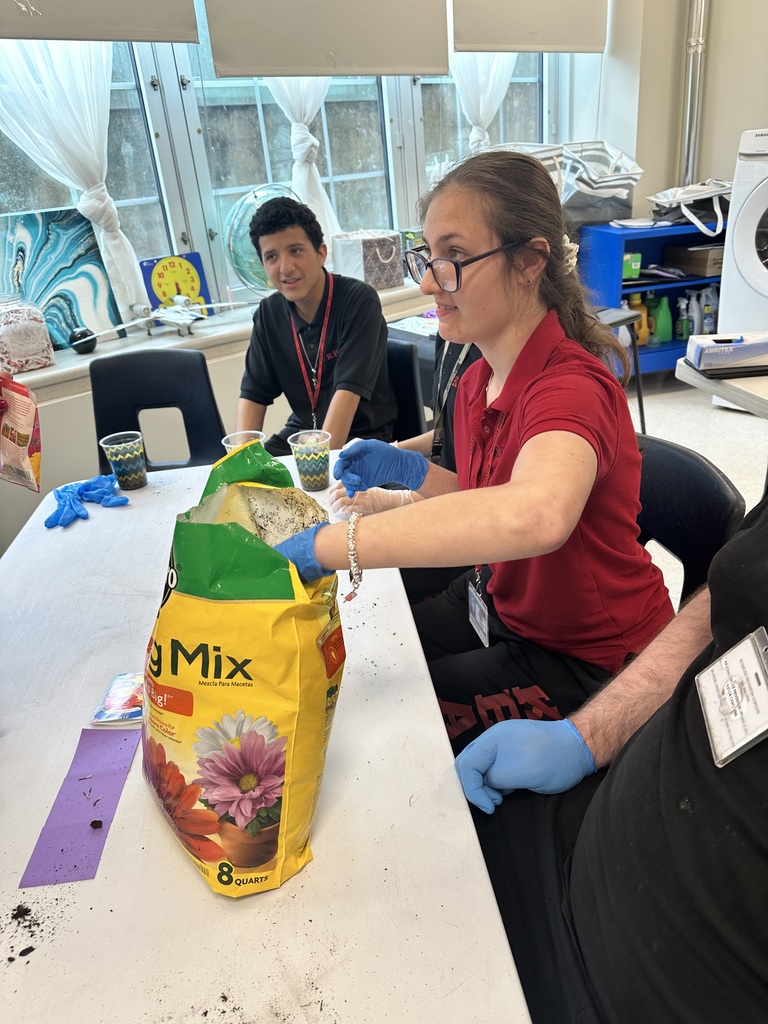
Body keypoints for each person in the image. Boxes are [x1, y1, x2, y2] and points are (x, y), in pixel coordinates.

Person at [275, 150, 673, 752]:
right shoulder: (474, 379)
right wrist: (411, 474)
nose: (430, 281)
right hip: (504, 605)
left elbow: (534, 514)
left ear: (529, 262)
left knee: (387, 726)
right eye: (429, 257)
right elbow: (488, 499)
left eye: (455, 258)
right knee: (367, 658)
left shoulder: (571, 387)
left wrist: (333, 546)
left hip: (590, 659)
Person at [454, 494, 768, 1023]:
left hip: (649, 990)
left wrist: (340, 545)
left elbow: (537, 512)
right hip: (586, 840)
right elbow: (735, 590)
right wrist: (587, 735)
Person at [236, 196, 397, 457]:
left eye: (295, 250)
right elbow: (253, 395)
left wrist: (317, 462)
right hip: (302, 433)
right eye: (272, 257)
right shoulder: (268, 313)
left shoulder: (358, 301)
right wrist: (242, 460)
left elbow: (347, 395)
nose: (285, 268)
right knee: (249, 484)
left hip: (361, 439)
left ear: (321, 252)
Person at [328, 332, 482, 602]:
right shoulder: (451, 338)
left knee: (369, 587)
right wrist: (394, 451)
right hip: (443, 498)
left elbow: (483, 498)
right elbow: (445, 432)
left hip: (470, 525)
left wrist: (396, 499)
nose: (426, 287)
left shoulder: (493, 362)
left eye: (451, 285)